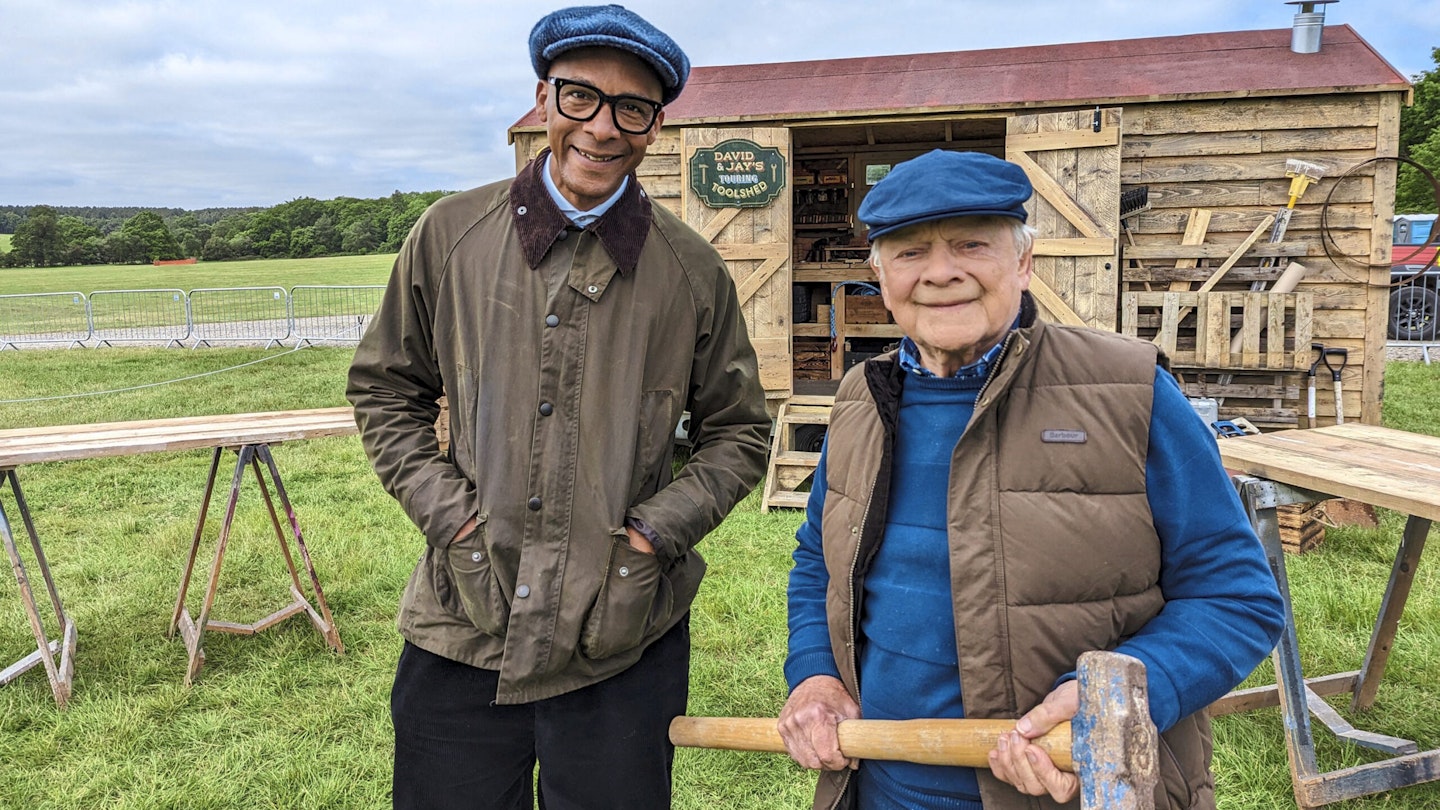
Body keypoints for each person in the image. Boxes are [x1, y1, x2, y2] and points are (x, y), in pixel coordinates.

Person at [346, 6, 771, 809]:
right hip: (463, 623)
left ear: (654, 127)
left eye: (632, 108)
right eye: (581, 97)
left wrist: (652, 537)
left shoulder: (690, 272)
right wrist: (455, 523)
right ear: (544, 97)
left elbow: (741, 432)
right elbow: (385, 388)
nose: (602, 128)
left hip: (622, 638)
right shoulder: (449, 236)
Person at [777, 149, 1285, 810]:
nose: (941, 273)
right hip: (879, 787)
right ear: (879, 275)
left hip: (1071, 790)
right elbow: (816, 563)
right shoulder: (859, 400)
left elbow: (1237, 595)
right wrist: (813, 674)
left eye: (971, 245)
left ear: (1023, 261)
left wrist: (1122, 699)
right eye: (909, 253)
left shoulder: (1128, 392)